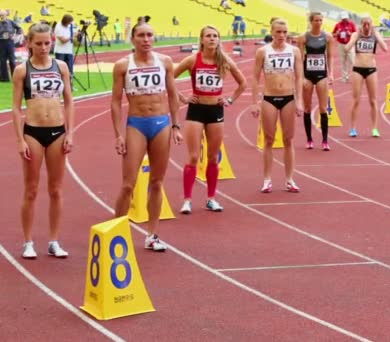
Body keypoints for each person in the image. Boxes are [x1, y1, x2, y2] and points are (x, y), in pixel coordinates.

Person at [111, 22, 183, 252]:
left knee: (157, 182)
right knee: (127, 185)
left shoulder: (165, 62)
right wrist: (117, 135)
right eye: (141, 35)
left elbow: (172, 94)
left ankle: (152, 235)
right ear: (133, 39)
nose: (146, 39)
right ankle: (116, 233)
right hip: (136, 125)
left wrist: (176, 125)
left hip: (161, 123)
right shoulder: (123, 65)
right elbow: (114, 101)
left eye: (150, 35)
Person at [11, 23, 74, 259]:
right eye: (38, 43)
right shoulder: (22, 70)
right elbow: (16, 108)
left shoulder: (61, 66)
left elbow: (68, 101)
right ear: (29, 43)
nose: (44, 47)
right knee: (31, 189)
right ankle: (28, 242)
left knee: (56, 190)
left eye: (47, 42)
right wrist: (20, 139)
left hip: (57, 131)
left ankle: (54, 241)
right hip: (33, 132)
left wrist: (71, 133)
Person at [174, 25, 246, 214]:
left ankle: (211, 198)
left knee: (213, 157)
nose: (212, 39)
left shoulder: (224, 60)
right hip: (196, 110)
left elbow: (243, 82)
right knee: (193, 156)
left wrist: (229, 99)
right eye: (208, 36)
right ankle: (187, 200)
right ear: (202, 40)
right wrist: (182, 98)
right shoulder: (192, 60)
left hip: (216, 111)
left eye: (215, 36)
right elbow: (169, 78)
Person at [251, 18, 304, 193]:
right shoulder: (262, 51)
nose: (282, 35)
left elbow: (299, 76)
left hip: (288, 97)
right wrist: (254, 102)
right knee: (269, 140)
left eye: (284, 32)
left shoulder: (294, 51)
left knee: (289, 140)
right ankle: (267, 180)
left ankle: (289, 179)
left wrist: (299, 101)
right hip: (269, 98)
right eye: (278, 32)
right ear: (272, 32)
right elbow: (255, 77)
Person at [344, 14, 388, 138]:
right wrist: (356, 36)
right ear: (361, 24)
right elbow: (347, 48)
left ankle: (374, 128)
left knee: (373, 100)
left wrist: (377, 36)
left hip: (371, 69)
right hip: (357, 69)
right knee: (355, 100)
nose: (367, 26)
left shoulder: (375, 34)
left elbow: (385, 48)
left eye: (369, 24)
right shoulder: (355, 34)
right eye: (364, 24)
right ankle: (352, 128)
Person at [296, 12, 333, 151]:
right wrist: (301, 78)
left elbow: (329, 57)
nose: (318, 22)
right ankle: (309, 139)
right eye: (316, 20)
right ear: (311, 22)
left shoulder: (327, 37)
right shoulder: (303, 38)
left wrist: (331, 74)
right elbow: (299, 59)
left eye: (320, 20)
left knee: (323, 108)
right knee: (307, 107)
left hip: (322, 74)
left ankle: (325, 140)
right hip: (308, 75)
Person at [332, 12, 356, 83]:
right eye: (343, 19)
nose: (344, 20)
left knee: (352, 61)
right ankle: (344, 77)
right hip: (341, 44)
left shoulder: (351, 24)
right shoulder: (338, 25)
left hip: (349, 44)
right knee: (343, 61)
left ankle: (354, 76)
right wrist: (337, 33)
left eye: (345, 18)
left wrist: (350, 34)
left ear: (347, 18)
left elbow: (356, 34)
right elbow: (333, 34)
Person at [0, 9, 22, 82]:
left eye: (2, 15)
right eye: (0, 15)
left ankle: (15, 76)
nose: (1, 16)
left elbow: (19, 28)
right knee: (2, 61)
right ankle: (4, 78)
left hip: (10, 42)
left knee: (12, 60)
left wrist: (16, 36)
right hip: (1, 43)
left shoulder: (11, 22)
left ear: (6, 15)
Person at [53, 14, 75, 88]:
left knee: (70, 69)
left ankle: (69, 86)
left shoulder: (70, 26)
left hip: (69, 50)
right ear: (65, 21)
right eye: (69, 22)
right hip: (60, 51)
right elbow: (63, 40)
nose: (70, 24)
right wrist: (72, 37)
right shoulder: (58, 27)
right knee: (60, 70)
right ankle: (59, 85)